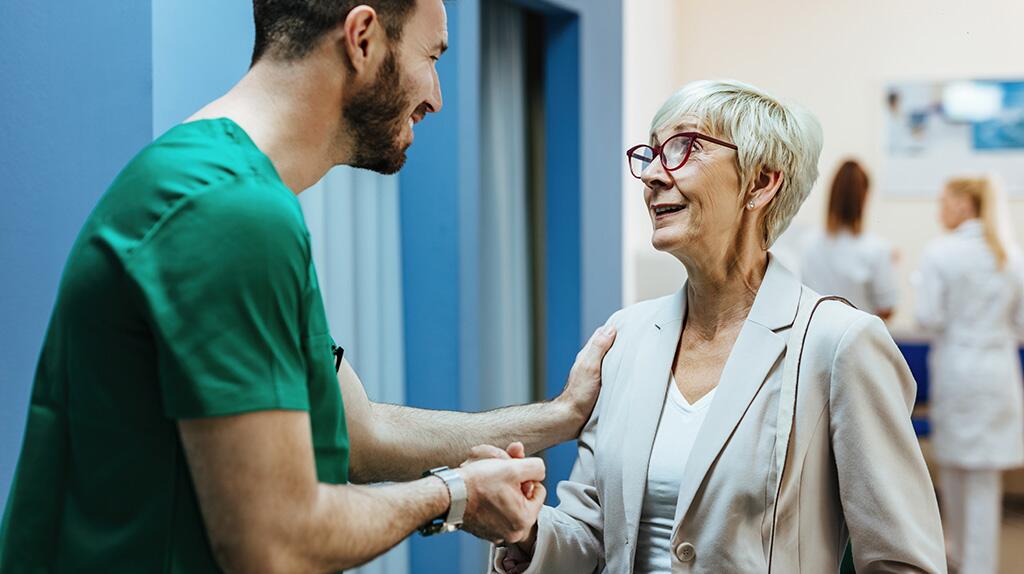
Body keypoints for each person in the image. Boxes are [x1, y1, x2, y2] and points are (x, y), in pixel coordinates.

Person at [0, 1, 616, 572]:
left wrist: (564, 415)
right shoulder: (229, 212)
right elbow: (275, 538)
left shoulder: (233, 192)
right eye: (432, 57)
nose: (436, 96)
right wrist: (452, 494)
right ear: (363, 38)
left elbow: (358, 432)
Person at [490, 80, 945, 573]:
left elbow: (905, 562)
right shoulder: (627, 338)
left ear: (762, 182)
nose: (652, 176)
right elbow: (591, 533)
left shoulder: (838, 344)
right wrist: (528, 530)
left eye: (684, 147)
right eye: (651, 153)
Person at [915, 176, 1024, 574]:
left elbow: (929, 317)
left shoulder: (940, 253)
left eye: (944, 201)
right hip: (997, 373)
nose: (939, 209)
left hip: (958, 371)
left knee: (960, 470)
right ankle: (966, 556)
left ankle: (969, 560)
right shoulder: (1010, 257)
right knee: (980, 475)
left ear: (964, 205)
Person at [801, 159, 899, 320]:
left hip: (814, 338)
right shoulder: (876, 249)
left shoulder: (807, 243)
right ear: (864, 197)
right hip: (858, 339)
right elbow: (886, 308)